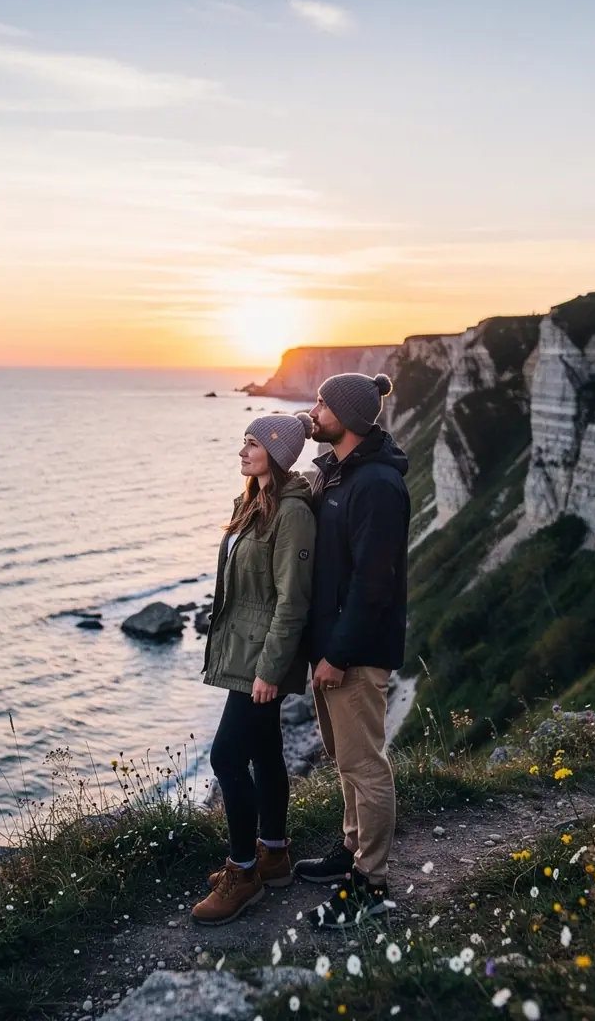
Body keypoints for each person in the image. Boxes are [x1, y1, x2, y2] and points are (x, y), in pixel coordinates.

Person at [293, 372, 410, 929]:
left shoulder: (377, 486)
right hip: (332, 649)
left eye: (321, 403)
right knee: (345, 762)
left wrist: (337, 655)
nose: (312, 411)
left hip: (357, 653)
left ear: (348, 417)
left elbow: (373, 585)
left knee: (365, 764)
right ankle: (350, 849)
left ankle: (372, 883)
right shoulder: (339, 475)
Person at [190, 412, 316, 926]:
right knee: (265, 752)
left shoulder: (293, 514)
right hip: (245, 651)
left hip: (260, 658)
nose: (241, 452)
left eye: (252, 443)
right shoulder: (251, 503)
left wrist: (269, 669)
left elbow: (293, 602)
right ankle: (274, 854)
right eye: (243, 442)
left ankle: (243, 874)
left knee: (224, 757)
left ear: (278, 453)